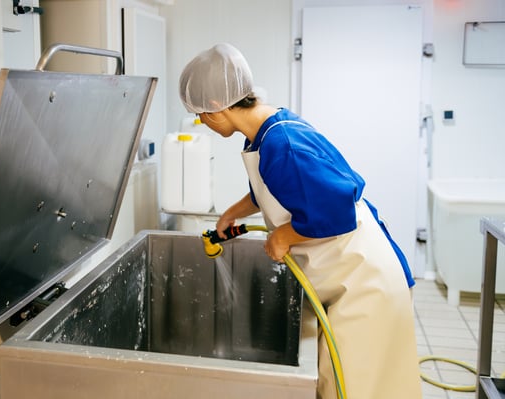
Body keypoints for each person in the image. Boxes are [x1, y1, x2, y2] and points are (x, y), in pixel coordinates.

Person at [178, 43, 422, 399]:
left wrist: (283, 237)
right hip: (347, 276)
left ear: (217, 105)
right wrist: (233, 212)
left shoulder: (282, 142)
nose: (202, 122)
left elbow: (334, 211)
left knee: (354, 389)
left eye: (201, 114)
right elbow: (282, 189)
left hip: (363, 282)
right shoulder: (266, 130)